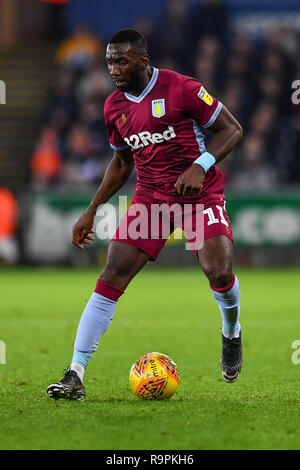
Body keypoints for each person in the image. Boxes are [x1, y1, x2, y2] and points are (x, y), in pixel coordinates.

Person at [47, 29, 243, 401]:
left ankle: (231, 332)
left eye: (121, 61)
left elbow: (232, 129)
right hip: (151, 198)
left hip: (199, 195)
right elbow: (122, 164)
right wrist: (92, 210)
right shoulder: (113, 108)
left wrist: (201, 164)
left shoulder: (181, 88)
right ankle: (75, 372)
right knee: (112, 273)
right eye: (109, 62)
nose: (113, 69)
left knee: (219, 271)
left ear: (142, 61)